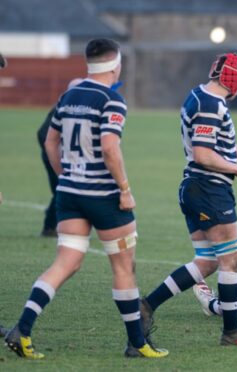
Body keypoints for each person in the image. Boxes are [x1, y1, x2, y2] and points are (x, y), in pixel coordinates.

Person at [1, 39, 167, 359]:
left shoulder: (68, 96)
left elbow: (51, 141)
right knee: (123, 268)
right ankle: (137, 343)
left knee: (66, 262)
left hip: (70, 193)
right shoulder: (112, 99)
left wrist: (66, 175)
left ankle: (23, 328)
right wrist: (125, 189)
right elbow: (109, 147)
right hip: (104, 195)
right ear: (115, 65)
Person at [139, 53, 237, 347]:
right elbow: (203, 154)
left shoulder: (199, 96)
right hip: (209, 189)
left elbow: (220, 145)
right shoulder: (212, 104)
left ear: (215, 69)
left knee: (208, 261)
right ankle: (231, 332)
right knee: (232, 259)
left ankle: (147, 305)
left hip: (195, 188)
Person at [36, 78, 84, 237]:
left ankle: (70, 225)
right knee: (60, 189)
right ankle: (50, 227)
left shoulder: (78, 107)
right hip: (54, 156)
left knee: (65, 189)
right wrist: (56, 152)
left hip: (69, 157)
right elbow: (43, 134)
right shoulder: (61, 108)